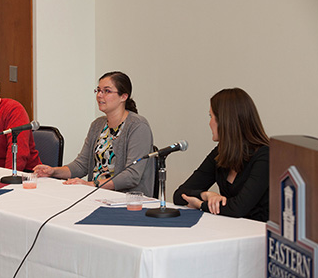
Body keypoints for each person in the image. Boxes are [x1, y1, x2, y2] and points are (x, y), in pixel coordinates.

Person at [34, 71, 155, 197]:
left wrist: (92, 184)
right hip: (95, 195)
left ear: (123, 97)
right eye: (98, 90)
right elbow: (81, 165)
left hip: (127, 200)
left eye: (106, 91)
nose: (99, 95)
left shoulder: (138, 126)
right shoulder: (98, 125)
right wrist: (53, 171)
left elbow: (132, 175)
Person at [173, 88, 269, 222]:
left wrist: (200, 204)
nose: (209, 123)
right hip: (231, 230)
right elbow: (179, 194)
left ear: (225, 121)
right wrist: (205, 195)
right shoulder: (221, 152)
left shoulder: (265, 156)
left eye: (211, 116)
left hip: (260, 236)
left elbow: (238, 208)